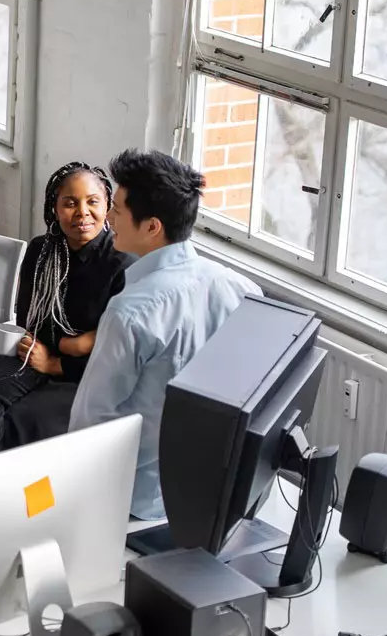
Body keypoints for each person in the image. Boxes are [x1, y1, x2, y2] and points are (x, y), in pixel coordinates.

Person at [69, 149, 260, 519]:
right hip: (213, 491)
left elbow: (90, 421)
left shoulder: (130, 312)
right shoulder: (241, 289)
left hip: (138, 499)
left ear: (152, 227)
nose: (109, 218)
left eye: (117, 210)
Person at [0, 162, 135, 457]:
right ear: (54, 208)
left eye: (93, 201)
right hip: (38, 350)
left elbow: (117, 351)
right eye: (70, 203)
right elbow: (29, 319)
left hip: (87, 372)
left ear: (107, 206)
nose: (82, 212)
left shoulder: (122, 264)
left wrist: (57, 360)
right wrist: (66, 344)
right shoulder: (41, 250)